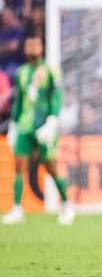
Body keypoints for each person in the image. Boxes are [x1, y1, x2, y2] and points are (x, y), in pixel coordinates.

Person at [3, 36, 74, 226]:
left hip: (45, 127)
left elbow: (57, 97)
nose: (32, 47)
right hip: (25, 127)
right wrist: (14, 124)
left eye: (36, 44)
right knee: (19, 165)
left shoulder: (51, 72)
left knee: (51, 166)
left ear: (42, 48)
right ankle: (17, 209)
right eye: (29, 44)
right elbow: (18, 101)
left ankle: (67, 205)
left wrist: (52, 120)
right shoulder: (21, 72)